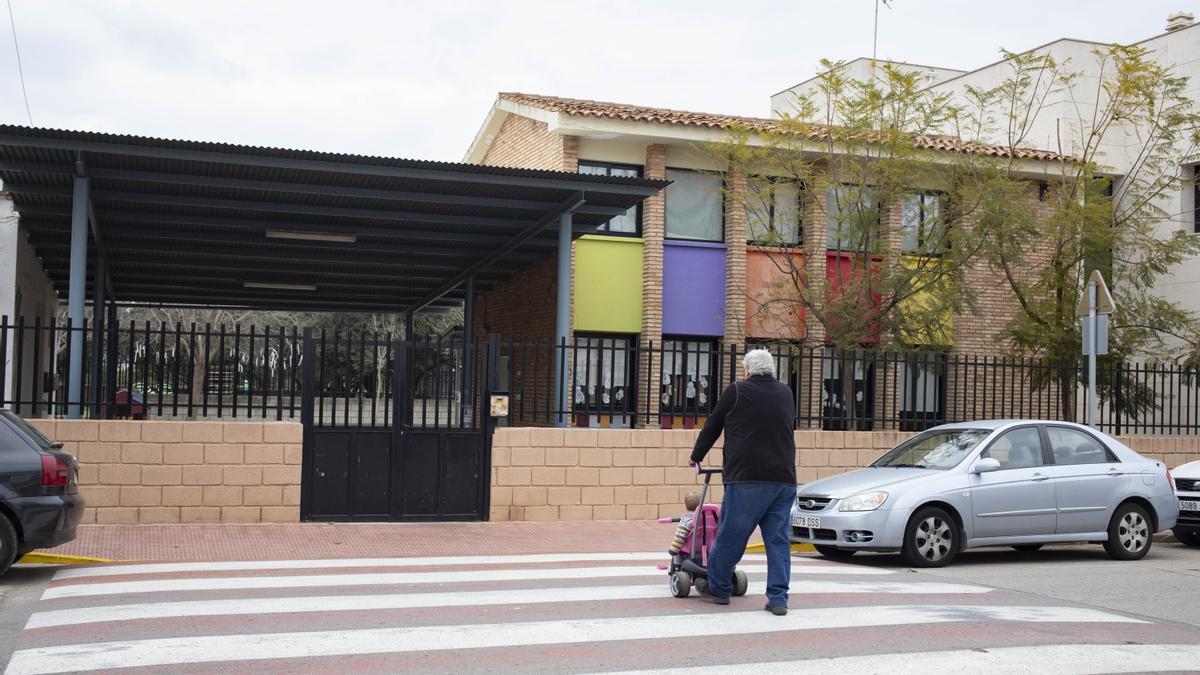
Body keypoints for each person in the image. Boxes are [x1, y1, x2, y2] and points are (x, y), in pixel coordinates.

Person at [689, 348, 796, 616]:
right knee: (778, 541)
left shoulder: (737, 390)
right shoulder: (786, 393)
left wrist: (696, 456)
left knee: (731, 536)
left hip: (747, 478)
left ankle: (720, 588)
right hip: (783, 480)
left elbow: (713, 424)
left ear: (747, 370)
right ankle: (778, 599)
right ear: (772, 369)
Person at [667, 490, 702, 556]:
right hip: (705, 547)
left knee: (678, 552)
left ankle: (677, 564)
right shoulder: (705, 518)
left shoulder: (686, 521)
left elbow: (680, 537)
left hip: (689, 549)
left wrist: (673, 550)